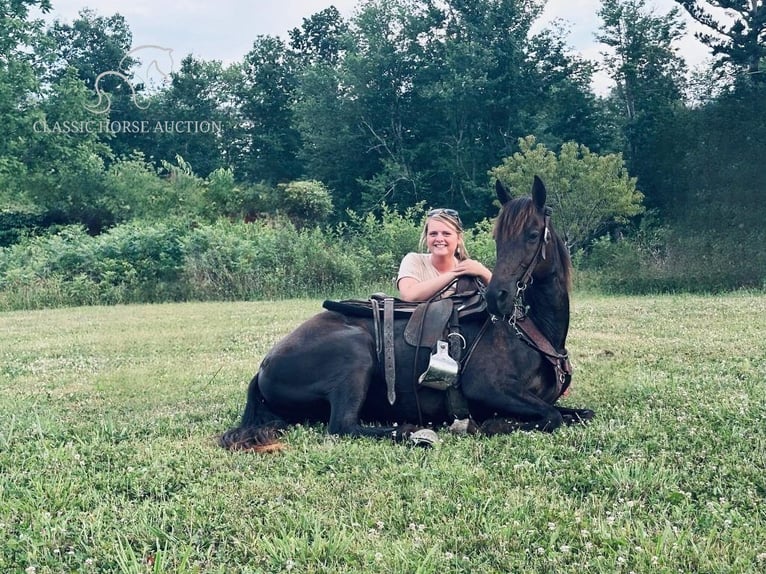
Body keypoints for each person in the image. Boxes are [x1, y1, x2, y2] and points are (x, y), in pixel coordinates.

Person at [397, 208, 492, 302]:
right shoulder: (414, 260)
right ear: (426, 237)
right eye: (433, 234)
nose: (439, 239)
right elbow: (409, 296)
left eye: (446, 234)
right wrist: (454, 274)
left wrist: (483, 272)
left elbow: (503, 296)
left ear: (458, 238)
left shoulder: (470, 268)